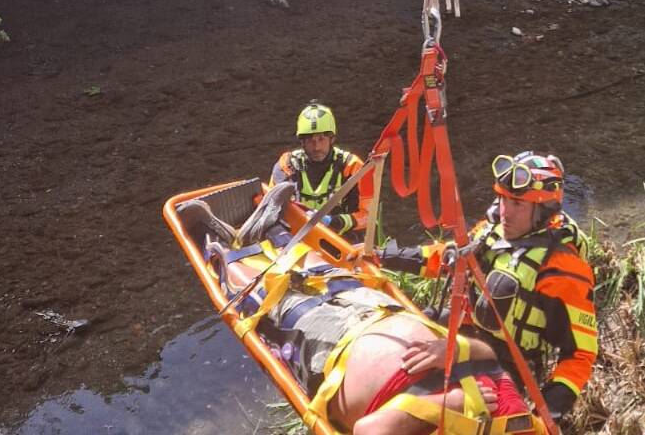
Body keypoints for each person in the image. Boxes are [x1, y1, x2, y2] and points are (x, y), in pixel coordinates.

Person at [176, 183, 547, 435]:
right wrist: (452, 350)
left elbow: (368, 430)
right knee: (331, 278)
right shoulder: (524, 425)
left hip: (335, 352)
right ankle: (273, 229)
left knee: (281, 301)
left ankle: (220, 248)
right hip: (384, 316)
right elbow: (491, 359)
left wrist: (449, 403)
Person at [378, 151, 598, 420]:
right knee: (397, 331)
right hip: (464, 328)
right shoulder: (491, 231)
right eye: (502, 198)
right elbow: (446, 259)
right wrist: (382, 256)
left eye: (517, 203)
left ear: (542, 210)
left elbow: (580, 354)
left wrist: (545, 413)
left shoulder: (562, 268)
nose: (505, 211)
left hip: (505, 363)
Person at [269, 101, 372, 242]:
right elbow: (271, 211)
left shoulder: (352, 167)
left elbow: (368, 217)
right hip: (296, 242)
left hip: (340, 243)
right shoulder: (286, 166)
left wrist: (333, 222)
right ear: (302, 142)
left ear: (332, 139)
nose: (316, 147)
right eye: (310, 140)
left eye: (321, 139)